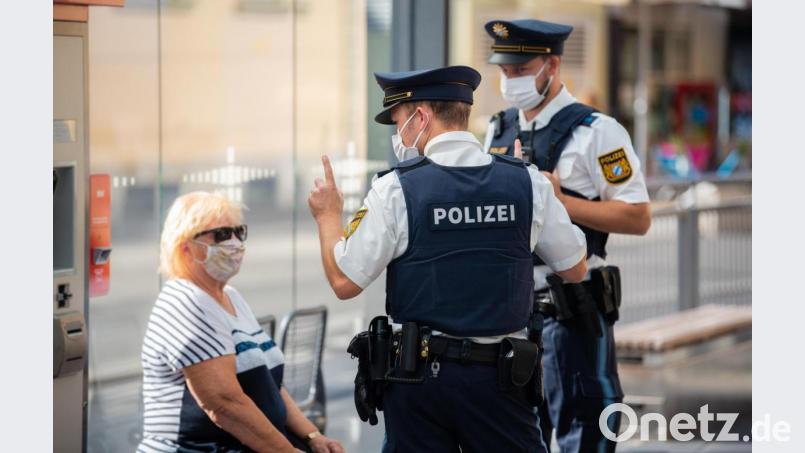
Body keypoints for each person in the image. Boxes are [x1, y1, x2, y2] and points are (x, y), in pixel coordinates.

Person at [307, 65, 588, 453]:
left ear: (421, 117)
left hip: (421, 386)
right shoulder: (527, 182)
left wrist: (327, 217)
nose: (398, 134)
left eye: (399, 121)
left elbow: (344, 281)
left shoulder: (395, 189)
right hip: (503, 380)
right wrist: (539, 193)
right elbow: (575, 267)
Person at [482, 19, 652, 453]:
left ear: (551, 65)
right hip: (513, 313)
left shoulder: (598, 131)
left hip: (573, 309)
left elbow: (638, 216)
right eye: (505, 70)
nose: (510, 80)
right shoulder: (496, 130)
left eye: (520, 70)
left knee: (587, 429)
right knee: (516, 434)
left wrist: (558, 201)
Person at [137, 191, 344, 453]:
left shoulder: (230, 296)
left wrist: (313, 436)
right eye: (221, 234)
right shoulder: (185, 302)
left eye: (238, 232)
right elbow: (225, 404)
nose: (234, 242)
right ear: (185, 247)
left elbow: (269, 387)